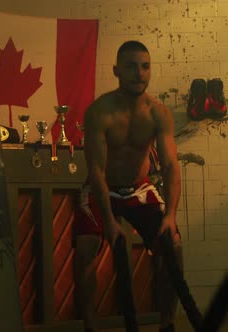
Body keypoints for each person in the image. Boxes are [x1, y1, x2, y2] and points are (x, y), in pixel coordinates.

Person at [74, 40, 183, 332]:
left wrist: (170, 216)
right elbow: (95, 170)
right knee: (85, 247)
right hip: (103, 186)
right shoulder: (99, 112)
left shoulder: (158, 113)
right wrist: (109, 221)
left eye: (145, 66)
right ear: (116, 71)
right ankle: (90, 325)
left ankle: (166, 323)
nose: (139, 73)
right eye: (131, 67)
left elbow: (171, 165)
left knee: (172, 245)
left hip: (139, 188)